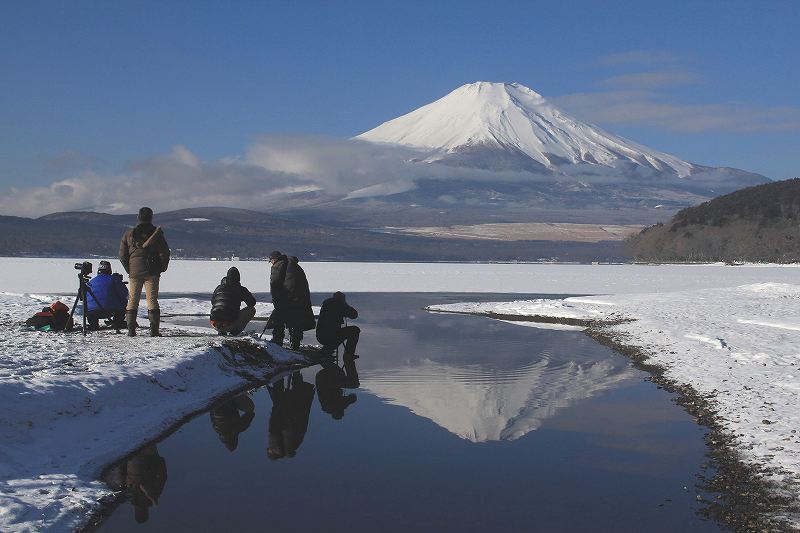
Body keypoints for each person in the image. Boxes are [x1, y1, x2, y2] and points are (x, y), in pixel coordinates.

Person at [119, 207, 170, 337]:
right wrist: (162, 268)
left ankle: (131, 330)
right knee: (152, 300)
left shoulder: (128, 234)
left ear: (138, 217)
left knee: (132, 300)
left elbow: (122, 255)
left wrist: (130, 269)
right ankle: (154, 331)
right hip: (152, 271)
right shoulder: (156, 234)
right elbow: (164, 252)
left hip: (134, 272)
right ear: (151, 218)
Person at [268, 251, 315, 349]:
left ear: (274, 259)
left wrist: (276, 301)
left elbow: (275, 285)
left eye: (271, 260)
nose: (271, 263)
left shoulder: (277, 266)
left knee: (278, 318)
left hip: (288, 298)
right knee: (296, 321)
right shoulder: (295, 266)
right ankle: (295, 344)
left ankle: (277, 341)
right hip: (301, 298)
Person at [266, 372, 315, 459]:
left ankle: (288, 371)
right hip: (289, 414)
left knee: (282, 392)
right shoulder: (286, 445)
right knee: (282, 392)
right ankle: (284, 371)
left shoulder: (286, 444)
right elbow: (287, 431)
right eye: (270, 451)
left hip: (287, 413)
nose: (269, 449)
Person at [210, 266, 256, 336]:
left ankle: (221, 331)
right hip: (229, 324)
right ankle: (235, 332)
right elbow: (252, 303)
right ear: (238, 278)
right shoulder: (240, 289)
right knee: (251, 309)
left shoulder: (218, 288)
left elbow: (212, 302)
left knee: (220, 308)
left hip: (214, 323)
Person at [85, 260, 128, 330]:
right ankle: (118, 322)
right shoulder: (114, 279)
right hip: (110, 310)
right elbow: (124, 293)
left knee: (91, 304)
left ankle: (93, 324)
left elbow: (83, 297)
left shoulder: (91, 281)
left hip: (91, 311)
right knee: (123, 301)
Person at [316, 291, 359, 359]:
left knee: (334, 334)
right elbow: (354, 315)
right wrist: (345, 304)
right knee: (355, 330)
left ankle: (327, 349)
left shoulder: (326, 304)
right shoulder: (340, 305)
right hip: (330, 336)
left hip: (320, 336)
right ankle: (348, 354)